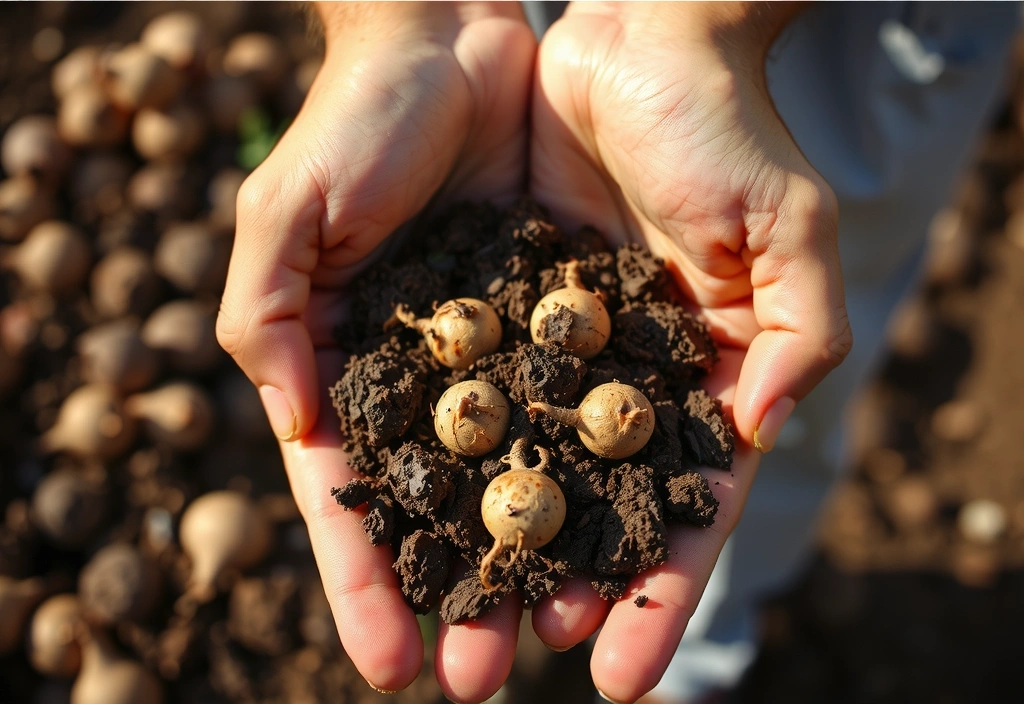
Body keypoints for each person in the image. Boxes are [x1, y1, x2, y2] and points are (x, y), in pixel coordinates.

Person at [215, 3, 1020, 703]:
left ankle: (702, 657)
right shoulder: (488, 392)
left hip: (853, 37)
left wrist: (688, 21)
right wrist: (407, 23)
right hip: (523, 48)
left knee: (778, 388)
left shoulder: (592, 388)